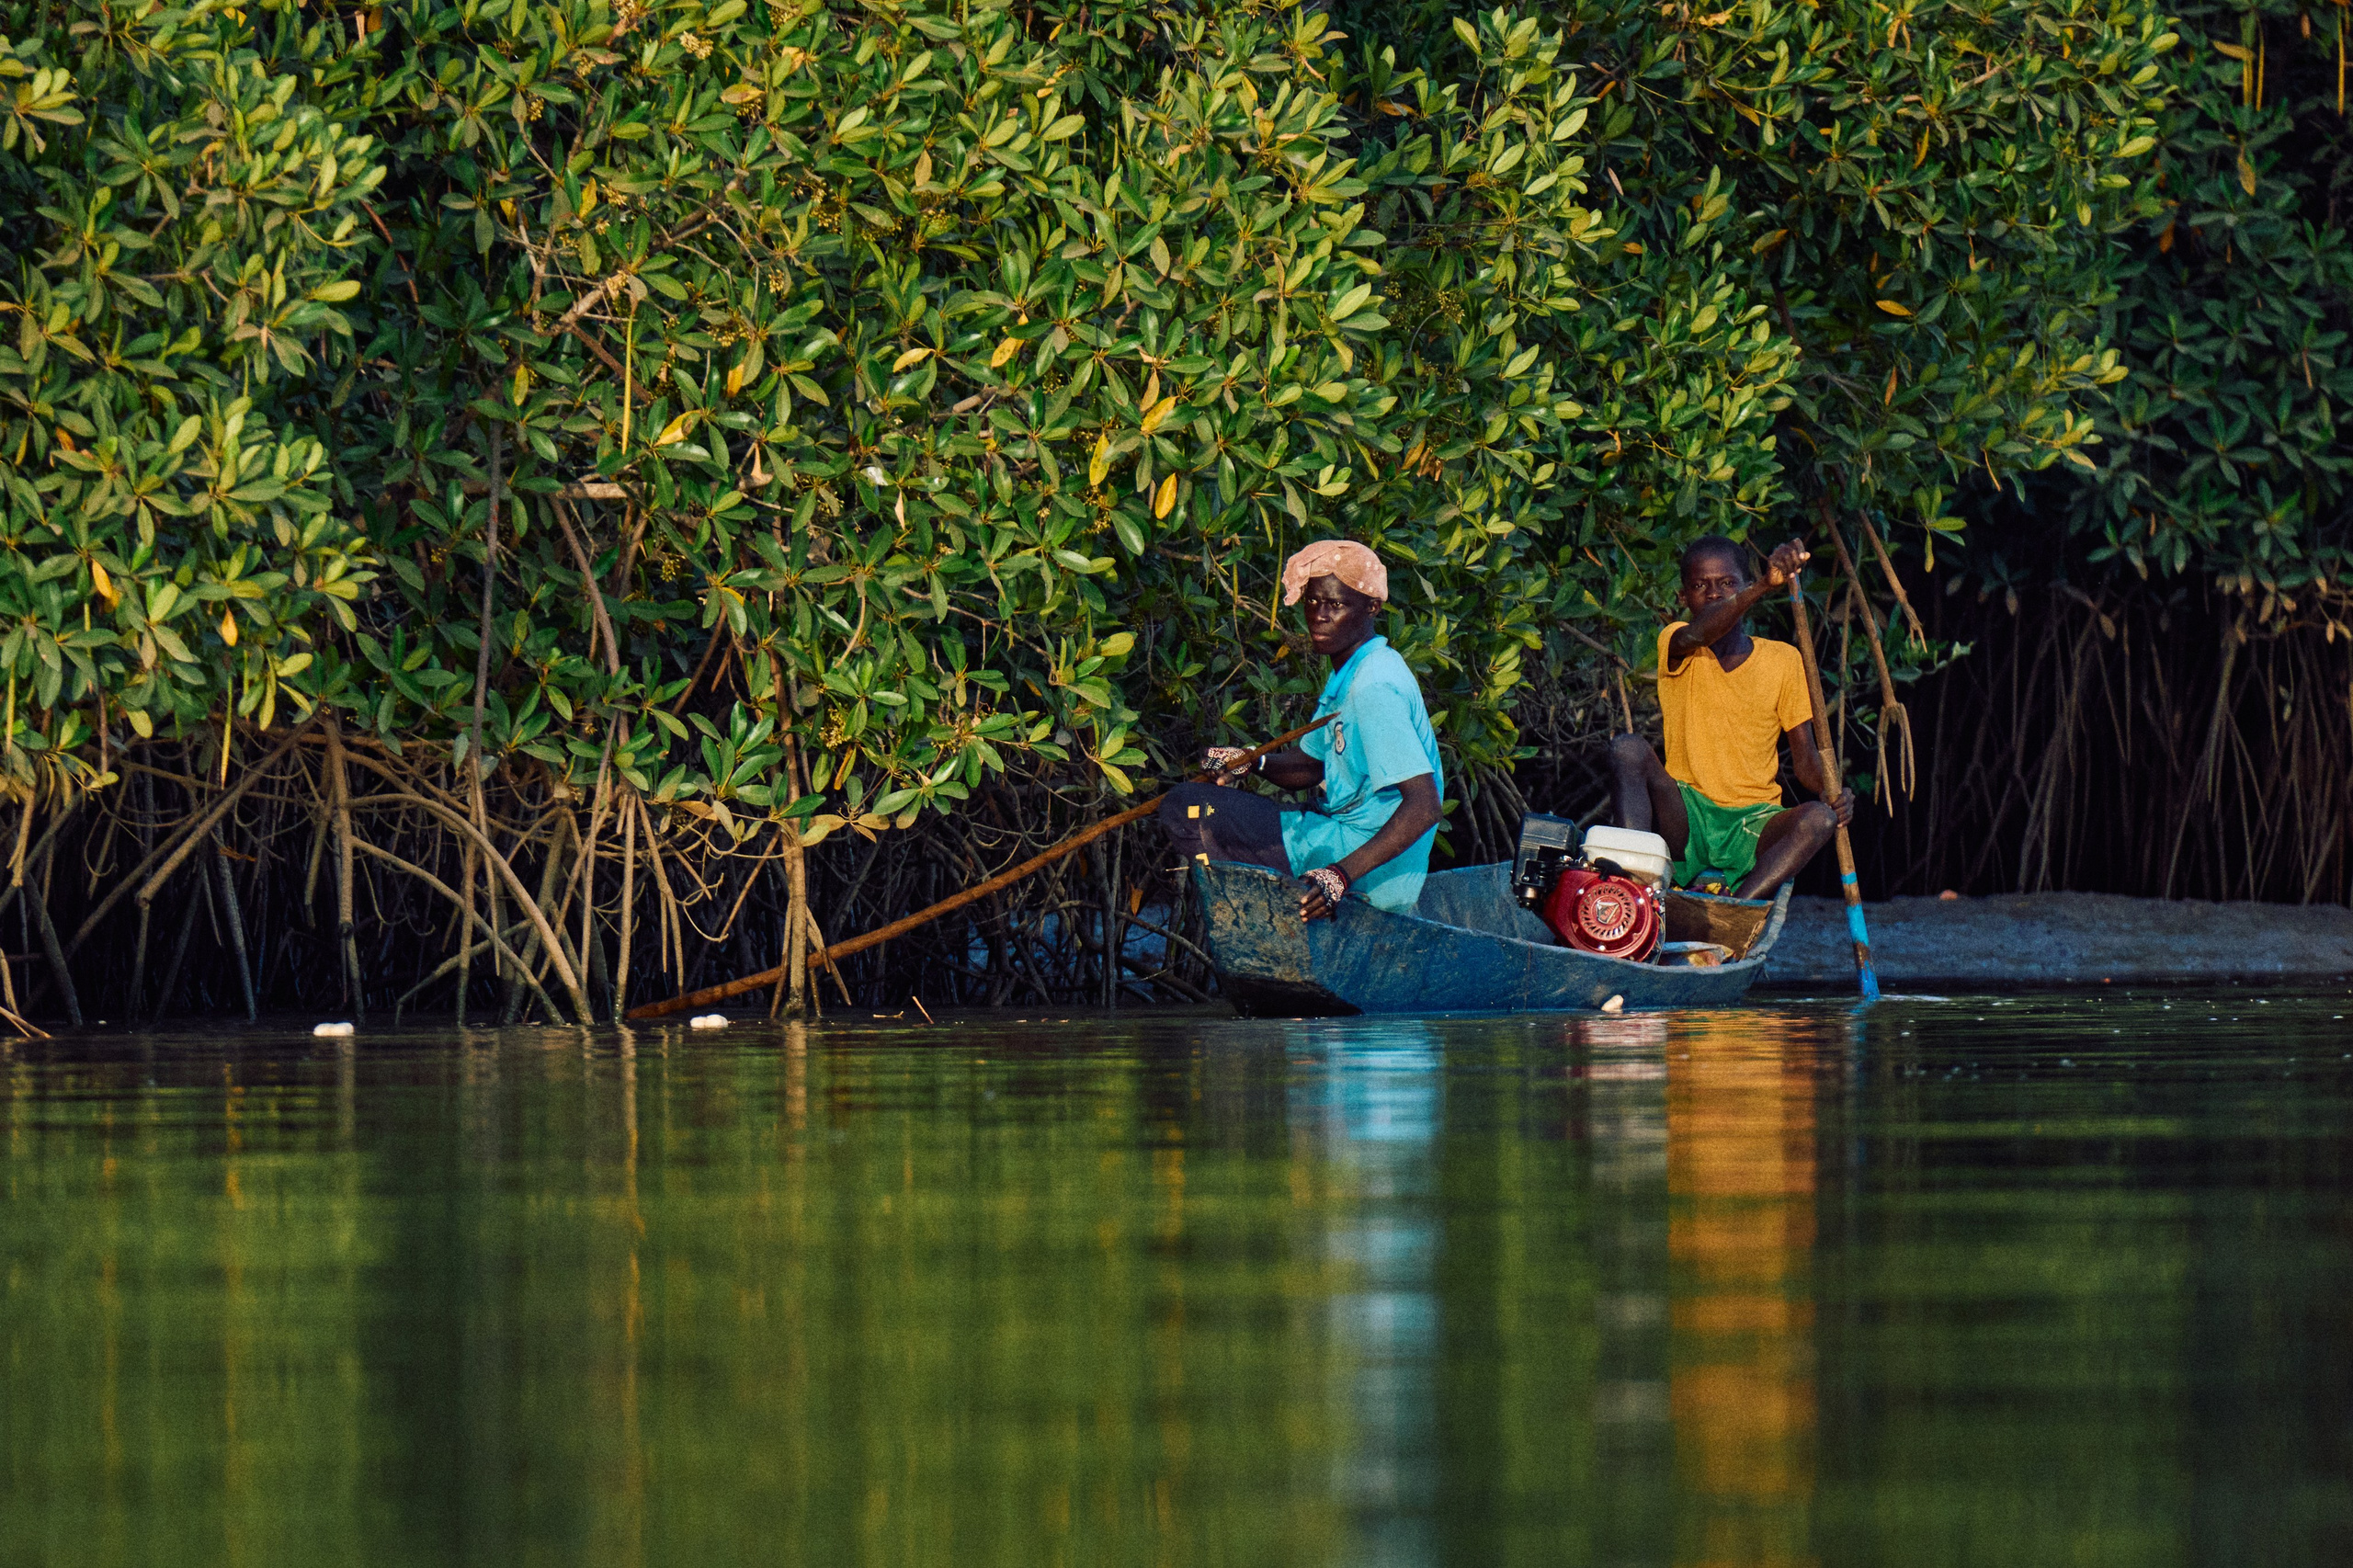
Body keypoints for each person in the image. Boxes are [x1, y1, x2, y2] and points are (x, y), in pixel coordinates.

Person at [1159, 540, 1445, 921]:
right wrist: (1250, 762)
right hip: (1341, 835)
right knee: (1194, 802)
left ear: (1372, 607)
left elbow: (1425, 807)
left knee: (1186, 809)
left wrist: (1339, 876)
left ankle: (1283, 917)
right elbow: (1309, 768)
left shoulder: (1374, 686)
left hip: (1367, 868)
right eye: (1313, 602)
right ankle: (1286, 916)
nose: (1319, 616)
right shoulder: (1354, 668)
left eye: (1336, 605)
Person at [1608, 535, 1854, 898]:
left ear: (1740, 583)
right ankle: (1633, 890)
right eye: (1699, 585)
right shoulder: (1677, 642)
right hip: (1686, 814)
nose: (1713, 593)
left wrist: (1831, 791)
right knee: (1627, 749)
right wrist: (1761, 587)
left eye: (1727, 583)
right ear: (1683, 598)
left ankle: (1736, 911)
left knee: (1820, 818)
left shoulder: (1784, 660)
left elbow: (1803, 758)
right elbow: (1702, 631)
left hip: (1752, 822)